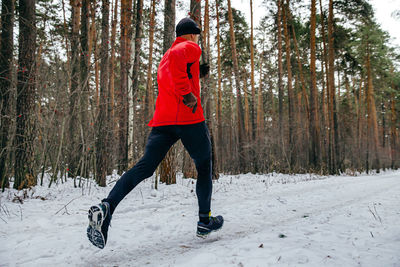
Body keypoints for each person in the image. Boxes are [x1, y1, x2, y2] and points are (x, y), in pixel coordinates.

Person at [86, 17, 224, 249]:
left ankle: (106, 207)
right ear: (191, 34)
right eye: (196, 35)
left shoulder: (165, 57)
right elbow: (182, 63)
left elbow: (175, 73)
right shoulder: (189, 46)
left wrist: (196, 74)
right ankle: (204, 220)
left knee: (144, 167)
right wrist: (187, 94)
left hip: (164, 120)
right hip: (188, 117)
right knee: (204, 164)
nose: (197, 39)